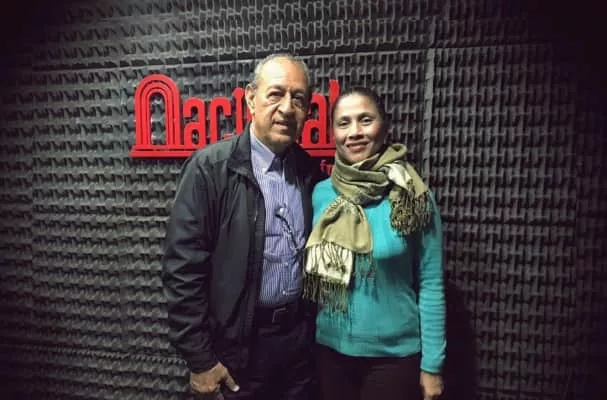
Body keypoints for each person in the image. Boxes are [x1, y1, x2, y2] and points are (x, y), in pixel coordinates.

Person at [161, 53, 323, 400]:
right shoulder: (210, 168)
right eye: (275, 94)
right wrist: (200, 359)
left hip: (298, 346)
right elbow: (182, 269)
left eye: (298, 98)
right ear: (251, 98)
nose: (287, 108)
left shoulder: (310, 173)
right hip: (239, 350)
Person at [303, 87, 446, 400]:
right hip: (330, 353)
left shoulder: (413, 196)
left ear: (384, 126)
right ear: (333, 133)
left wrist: (432, 365)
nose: (354, 131)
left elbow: (431, 283)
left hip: (394, 359)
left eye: (365, 120)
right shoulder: (320, 194)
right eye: (344, 123)